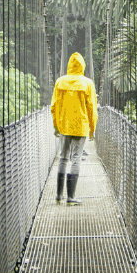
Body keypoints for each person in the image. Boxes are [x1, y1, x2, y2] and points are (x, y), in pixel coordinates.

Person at [49, 51, 97, 205]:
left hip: (64, 125)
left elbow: (53, 106)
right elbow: (92, 109)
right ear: (82, 65)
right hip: (80, 126)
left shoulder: (60, 82)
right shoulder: (87, 83)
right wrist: (92, 128)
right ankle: (70, 198)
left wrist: (56, 125)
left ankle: (58, 196)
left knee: (63, 158)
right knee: (75, 159)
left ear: (69, 65)